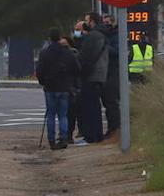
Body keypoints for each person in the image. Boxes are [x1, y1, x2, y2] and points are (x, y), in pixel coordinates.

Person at [36, 26, 79, 150]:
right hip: (64, 87)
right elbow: (76, 69)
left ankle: (51, 140)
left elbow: (39, 70)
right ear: (60, 38)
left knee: (50, 114)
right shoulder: (67, 52)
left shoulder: (45, 53)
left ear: (49, 38)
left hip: (50, 87)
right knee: (63, 115)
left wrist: (43, 82)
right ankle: (63, 138)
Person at [76, 14, 108, 143]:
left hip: (92, 76)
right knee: (93, 106)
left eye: (87, 21)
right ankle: (94, 135)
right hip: (98, 75)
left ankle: (92, 136)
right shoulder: (98, 35)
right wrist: (78, 34)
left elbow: (86, 55)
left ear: (92, 22)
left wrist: (81, 69)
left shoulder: (94, 36)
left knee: (90, 107)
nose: (85, 23)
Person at [100, 13, 121, 138]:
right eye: (104, 23)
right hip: (105, 71)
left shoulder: (116, 35)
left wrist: (105, 46)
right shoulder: (104, 35)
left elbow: (117, 52)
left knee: (112, 102)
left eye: (108, 23)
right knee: (107, 102)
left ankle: (115, 128)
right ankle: (111, 128)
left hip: (113, 71)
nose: (106, 25)